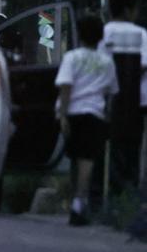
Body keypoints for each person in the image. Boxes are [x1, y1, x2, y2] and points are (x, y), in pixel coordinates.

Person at [56, 14, 118, 226]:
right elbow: (111, 91)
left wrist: (63, 114)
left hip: (73, 113)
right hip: (95, 113)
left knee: (75, 158)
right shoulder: (107, 61)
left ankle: (76, 201)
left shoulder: (72, 57)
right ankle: (79, 203)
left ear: (80, 34)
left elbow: (66, 87)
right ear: (100, 37)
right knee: (87, 160)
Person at [101, 0, 147, 193]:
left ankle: (113, 192)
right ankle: (132, 190)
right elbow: (144, 64)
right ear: (128, 10)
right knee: (133, 147)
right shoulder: (141, 34)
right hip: (138, 98)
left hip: (110, 99)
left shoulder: (103, 33)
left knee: (114, 147)